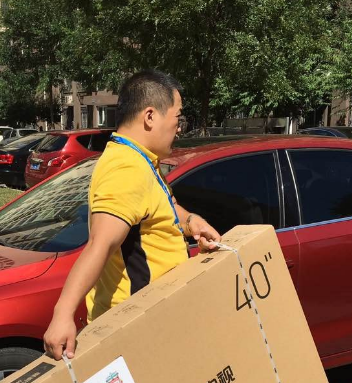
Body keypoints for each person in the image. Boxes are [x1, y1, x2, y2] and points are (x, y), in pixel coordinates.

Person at [43, 69, 221, 360]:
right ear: (150, 116)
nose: (179, 128)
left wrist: (191, 222)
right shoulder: (126, 169)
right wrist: (63, 314)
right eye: (178, 118)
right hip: (135, 327)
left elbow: (162, 207)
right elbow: (102, 244)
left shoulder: (140, 159)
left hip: (153, 319)